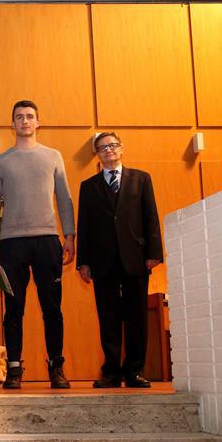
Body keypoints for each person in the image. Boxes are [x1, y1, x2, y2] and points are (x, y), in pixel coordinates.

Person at [0, 100, 75, 389]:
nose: (24, 121)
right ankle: (14, 368)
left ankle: (56, 368)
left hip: (47, 241)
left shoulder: (53, 156)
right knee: (14, 309)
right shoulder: (0, 162)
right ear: (12, 124)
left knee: (52, 309)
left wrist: (69, 235)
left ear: (38, 122)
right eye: (19, 117)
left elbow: (64, 198)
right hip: (11, 244)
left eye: (29, 116)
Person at [77, 132, 163, 388]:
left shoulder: (141, 179)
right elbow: (85, 225)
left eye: (112, 145)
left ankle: (134, 371)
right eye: (102, 148)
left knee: (137, 316)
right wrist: (83, 262)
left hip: (135, 258)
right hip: (102, 261)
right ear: (97, 155)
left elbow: (151, 217)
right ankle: (112, 372)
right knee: (108, 317)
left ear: (121, 148)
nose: (108, 150)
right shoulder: (88, 186)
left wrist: (153, 253)